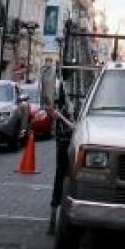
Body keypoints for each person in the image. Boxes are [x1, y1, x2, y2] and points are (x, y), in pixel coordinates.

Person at [47, 81, 75, 236]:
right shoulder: (63, 87)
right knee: (60, 176)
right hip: (65, 140)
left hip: (70, 138)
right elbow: (52, 110)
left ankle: (57, 216)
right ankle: (54, 216)